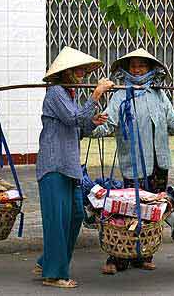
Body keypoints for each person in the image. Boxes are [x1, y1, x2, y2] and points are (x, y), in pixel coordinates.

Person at [91, 48, 174, 275]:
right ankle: (118, 257)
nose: (137, 69)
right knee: (128, 211)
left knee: (153, 211)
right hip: (133, 164)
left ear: (149, 69)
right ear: (126, 70)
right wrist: (89, 124)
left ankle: (144, 253)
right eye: (133, 66)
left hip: (158, 165)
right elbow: (107, 124)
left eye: (141, 66)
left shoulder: (159, 95)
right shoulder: (119, 95)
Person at [33, 46, 114, 288]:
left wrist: (92, 122)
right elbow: (74, 119)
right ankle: (54, 274)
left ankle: (48, 260)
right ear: (65, 72)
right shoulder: (55, 92)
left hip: (69, 166)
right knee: (57, 220)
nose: (80, 74)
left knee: (76, 215)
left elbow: (77, 129)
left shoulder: (69, 96)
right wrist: (96, 96)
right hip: (54, 166)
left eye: (81, 70)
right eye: (76, 70)